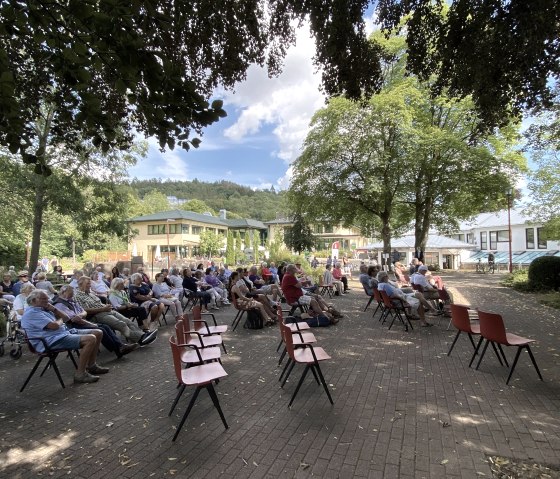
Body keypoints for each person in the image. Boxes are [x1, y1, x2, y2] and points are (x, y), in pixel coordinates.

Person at [21, 289, 108, 383]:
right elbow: (54, 326)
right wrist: (60, 320)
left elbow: (66, 318)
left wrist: (54, 309)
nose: (47, 301)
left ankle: (92, 366)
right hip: (51, 340)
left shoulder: (44, 309)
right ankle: (80, 374)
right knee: (90, 339)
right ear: (34, 301)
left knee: (98, 332)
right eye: (44, 299)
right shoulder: (32, 313)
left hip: (63, 334)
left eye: (47, 299)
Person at [54, 285, 138, 359]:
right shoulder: (60, 304)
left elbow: (83, 312)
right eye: (70, 293)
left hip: (82, 321)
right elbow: (73, 319)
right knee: (101, 329)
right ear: (63, 292)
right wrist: (84, 318)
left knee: (105, 326)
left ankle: (120, 347)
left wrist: (81, 315)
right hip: (73, 326)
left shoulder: (70, 300)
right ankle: (119, 349)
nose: (72, 295)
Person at [74, 276, 157, 346]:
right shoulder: (77, 296)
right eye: (88, 283)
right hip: (96, 315)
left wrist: (106, 306)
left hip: (106, 311)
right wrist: (102, 309)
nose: (90, 285)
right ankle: (140, 339)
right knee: (121, 324)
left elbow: (98, 303)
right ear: (81, 284)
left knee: (127, 321)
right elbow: (84, 311)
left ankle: (143, 335)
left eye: (90, 283)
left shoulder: (90, 293)